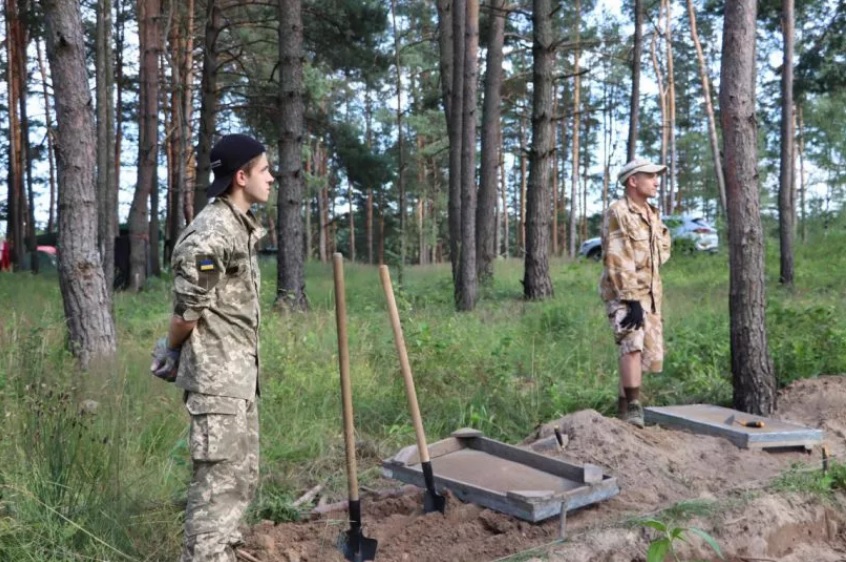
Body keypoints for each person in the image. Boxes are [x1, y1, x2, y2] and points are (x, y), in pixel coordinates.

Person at [150, 133, 274, 561]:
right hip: (218, 385)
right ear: (241, 177)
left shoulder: (238, 227)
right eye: (264, 170)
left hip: (238, 380)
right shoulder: (210, 235)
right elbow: (187, 314)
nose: (271, 178)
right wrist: (169, 349)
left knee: (239, 480)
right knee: (215, 491)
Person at [599, 158, 671, 428]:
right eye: (650, 176)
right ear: (633, 181)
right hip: (624, 292)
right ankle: (633, 407)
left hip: (650, 294)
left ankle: (622, 410)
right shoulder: (618, 212)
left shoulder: (652, 213)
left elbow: (662, 249)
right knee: (632, 343)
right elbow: (617, 256)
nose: (656, 181)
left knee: (643, 354)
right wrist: (630, 299)